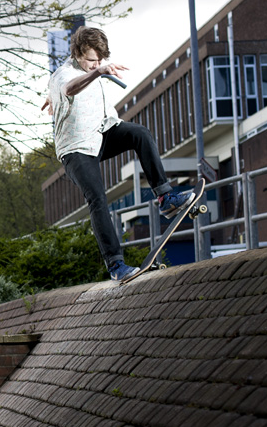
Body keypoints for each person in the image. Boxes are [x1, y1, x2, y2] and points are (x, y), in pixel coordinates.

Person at [43, 26, 195, 282]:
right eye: (92, 61)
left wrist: (97, 68)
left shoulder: (95, 63)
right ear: (78, 53)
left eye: (101, 61)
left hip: (101, 134)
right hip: (76, 149)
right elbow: (69, 88)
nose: (97, 65)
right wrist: (97, 73)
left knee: (140, 134)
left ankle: (166, 198)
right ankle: (116, 265)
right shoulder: (63, 75)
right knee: (97, 198)